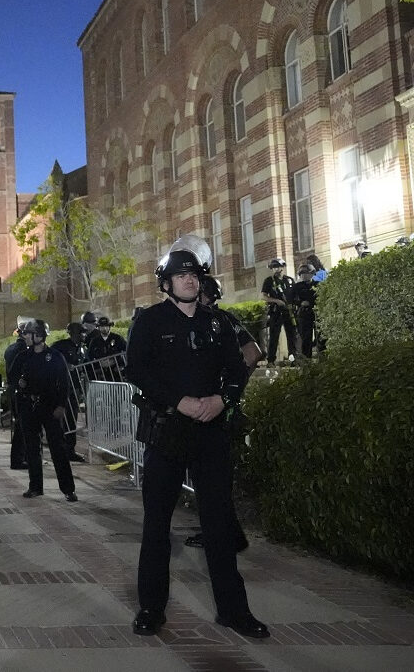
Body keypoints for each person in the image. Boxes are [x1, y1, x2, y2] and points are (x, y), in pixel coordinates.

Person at [126, 235, 267, 640]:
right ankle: (152, 608)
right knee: (156, 526)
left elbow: (238, 368)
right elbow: (137, 372)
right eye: (180, 274)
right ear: (166, 284)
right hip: (167, 433)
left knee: (219, 524)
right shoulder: (150, 322)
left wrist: (223, 400)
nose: (189, 280)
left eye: (193, 274)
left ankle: (234, 611)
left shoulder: (217, 322)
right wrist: (180, 401)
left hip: (211, 435)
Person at [184, 276, 257, 553]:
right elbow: (253, 353)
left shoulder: (216, 321)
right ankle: (228, 533)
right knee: (214, 476)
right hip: (216, 405)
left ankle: (222, 535)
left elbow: (252, 354)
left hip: (217, 409)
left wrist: (229, 390)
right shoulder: (219, 319)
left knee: (213, 476)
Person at [8, 319, 77, 502]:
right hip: (29, 408)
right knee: (32, 449)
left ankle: (68, 489)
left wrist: (61, 405)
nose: (25, 337)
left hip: (50, 407)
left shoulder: (54, 356)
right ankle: (35, 487)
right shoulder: (23, 356)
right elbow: (12, 378)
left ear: (39, 335)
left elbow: (64, 383)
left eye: (28, 334)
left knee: (58, 449)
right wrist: (19, 387)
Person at [50, 323, 91, 463]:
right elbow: (50, 359)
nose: (83, 336)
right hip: (61, 389)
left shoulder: (82, 349)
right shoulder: (60, 346)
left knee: (71, 421)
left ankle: (69, 450)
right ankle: (59, 449)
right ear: (73, 333)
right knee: (61, 420)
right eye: (81, 333)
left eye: (84, 333)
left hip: (74, 389)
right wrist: (64, 366)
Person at [3, 321, 30, 469]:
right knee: (22, 427)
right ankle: (19, 459)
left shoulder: (11, 348)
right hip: (20, 391)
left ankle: (20, 458)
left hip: (14, 391)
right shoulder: (22, 350)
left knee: (21, 426)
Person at [261, 257, 297, 366]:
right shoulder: (269, 281)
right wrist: (276, 301)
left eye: (277, 267)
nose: (275, 269)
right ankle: (271, 360)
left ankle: (293, 359)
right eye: (273, 268)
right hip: (276, 312)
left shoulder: (289, 280)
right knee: (274, 336)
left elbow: (295, 295)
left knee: (291, 336)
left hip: (289, 312)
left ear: (282, 267)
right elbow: (263, 296)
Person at [291, 264, 318, 360]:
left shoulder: (317, 284)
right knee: (306, 337)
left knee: (320, 337)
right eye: (301, 274)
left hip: (316, 313)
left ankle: (322, 356)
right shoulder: (297, 286)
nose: (303, 275)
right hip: (304, 314)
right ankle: (307, 359)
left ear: (311, 274)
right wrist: (300, 303)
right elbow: (291, 299)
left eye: (306, 273)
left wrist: (312, 303)